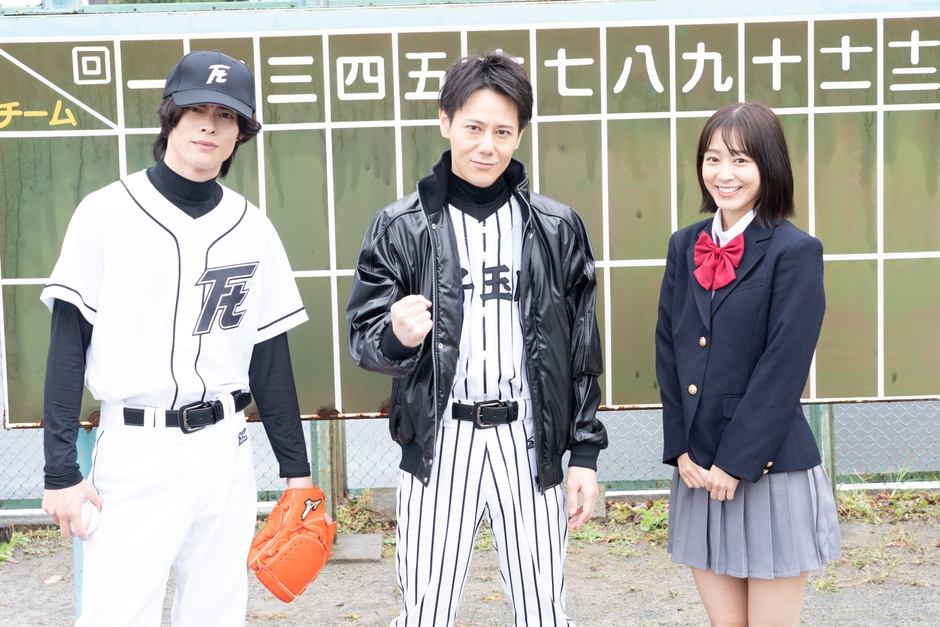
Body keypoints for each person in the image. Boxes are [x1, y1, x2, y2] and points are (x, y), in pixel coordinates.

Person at [40, 50, 314, 626]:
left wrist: (298, 473)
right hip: (137, 447)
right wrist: (59, 472)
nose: (209, 126)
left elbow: (269, 357)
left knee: (217, 613)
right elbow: (67, 347)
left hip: (225, 448)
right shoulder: (105, 213)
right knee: (116, 615)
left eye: (226, 115)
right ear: (171, 116)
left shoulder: (253, 227)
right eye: (197, 110)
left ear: (240, 133)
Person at [346, 51, 607, 627]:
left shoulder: (555, 226)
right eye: (473, 127)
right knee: (426, 612)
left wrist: (583, 455)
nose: (487, 145)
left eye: (502, 131)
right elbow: (363, 337)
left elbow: (581, 347)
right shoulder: (401, 225)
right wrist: (396, 337)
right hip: (441, 442)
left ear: (520, 134)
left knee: (543, 611)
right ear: (445, 122)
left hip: (527, 438)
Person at [655, 101, 841, 627]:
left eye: (740, 160)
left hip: (768, 469)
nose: (724, 174)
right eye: (713, 159)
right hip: (698, 469)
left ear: (769, 166)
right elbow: (668, 348)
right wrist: (680, 449)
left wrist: (735, 463)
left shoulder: (795, 251)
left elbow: (784, 366)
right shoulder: (684, 245)